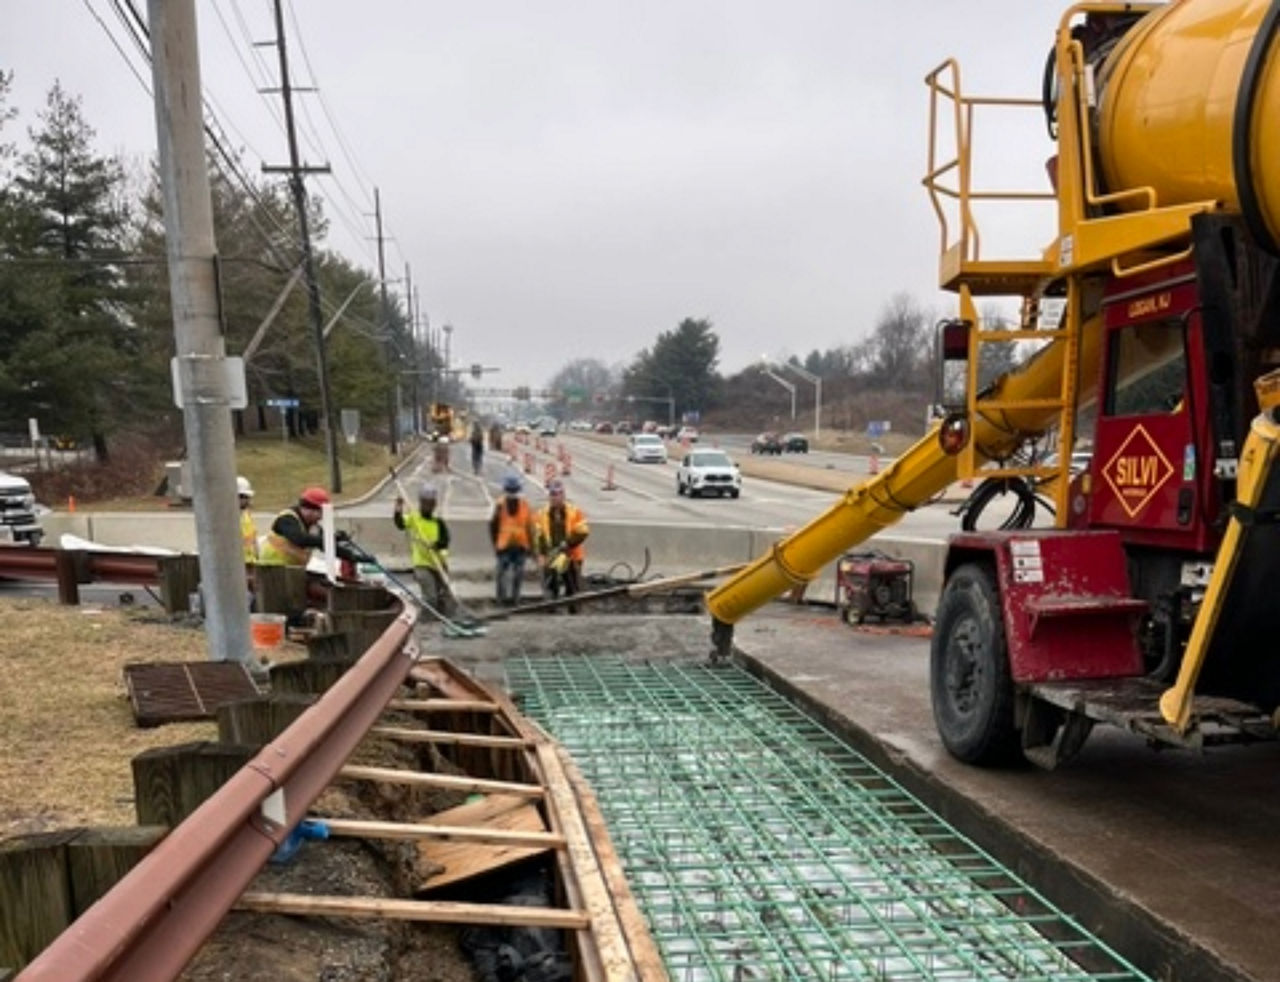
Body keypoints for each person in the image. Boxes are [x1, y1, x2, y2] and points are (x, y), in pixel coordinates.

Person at [258, 486, 357, 568]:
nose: (321, 517)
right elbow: (300, 539)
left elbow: (325, 545)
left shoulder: (313, 527)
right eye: (320, 513)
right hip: (271, 569)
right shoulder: (287, 519)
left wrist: (352, 556)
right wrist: (328, 539)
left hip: (292, 571)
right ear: (309, 510)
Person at [394, 482, 454, 616]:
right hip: (422, 564)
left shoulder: (438, 523)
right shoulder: (414, 519)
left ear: (434, 504)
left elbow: (445, 541)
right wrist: (398, 508)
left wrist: (435, 545)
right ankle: (427, 621)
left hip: (438, 564)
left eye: (431, 503)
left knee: (444, 596)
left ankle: (443, 618)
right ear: (421, 502)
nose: (428, 506)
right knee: (430, 597)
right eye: (425, 502)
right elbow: (400, 524)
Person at [535, 478, 590, 610]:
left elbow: (583, 531)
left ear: (563, 495)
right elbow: (538, 535)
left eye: (557, 494)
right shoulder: (542, 514)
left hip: (572, 555)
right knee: (551, 585)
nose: (555, 498)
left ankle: (574, 611)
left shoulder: (574, 512)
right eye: (552, 495)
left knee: (572, 587)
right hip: (552, 555)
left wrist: (568, 543)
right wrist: (542, 554)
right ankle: (552, 610)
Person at [489, 474, 536, 606]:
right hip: (504, 545)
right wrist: (495, 545)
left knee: (518, 574)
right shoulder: (500, 505)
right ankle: (501, 600)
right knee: (501, 574)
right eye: (510, 491)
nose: (512, 494)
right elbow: (493, 525)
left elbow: (530, 527)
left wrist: (532, 548)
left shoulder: (524, 505)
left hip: (520, 545)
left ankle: (515, 600)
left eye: (514, 491)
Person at [237, 476, 258, 564]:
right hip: (238, 563)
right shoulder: (228, 517)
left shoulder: (247, 515)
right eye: (242, 497)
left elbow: (253, 539)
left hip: (250, 561)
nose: (246, 500)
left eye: (247, 497)